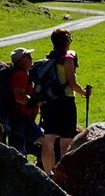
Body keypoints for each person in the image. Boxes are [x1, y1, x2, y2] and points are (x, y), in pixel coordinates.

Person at [31, 28, 87, 171]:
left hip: (48, 103)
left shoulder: (48, 58)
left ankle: (48, 173)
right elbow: (72, 84)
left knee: (48, 140)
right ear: (67, 40)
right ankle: (63, 174)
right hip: (65, 102)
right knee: (66, 140)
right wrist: (84, 92)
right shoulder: (67, 58)